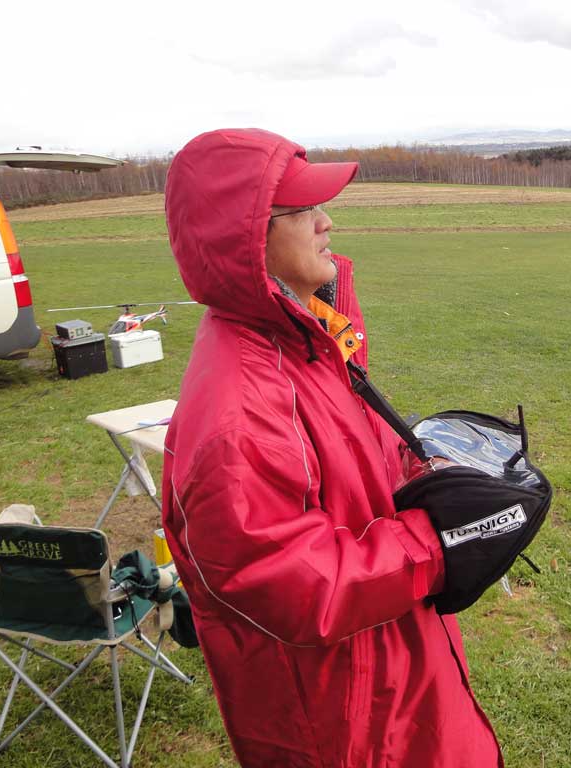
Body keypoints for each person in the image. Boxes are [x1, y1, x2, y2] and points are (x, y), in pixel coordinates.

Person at [161, 128, 502, 767]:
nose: (327, 223)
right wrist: (438, 540)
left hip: (392, 667)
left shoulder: (305, 339)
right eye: (305, 210)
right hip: (345, 716)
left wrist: (427, 471)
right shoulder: (241, 407)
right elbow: (289, 582)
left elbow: (351, 454)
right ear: (246, 236)